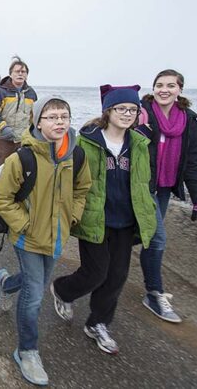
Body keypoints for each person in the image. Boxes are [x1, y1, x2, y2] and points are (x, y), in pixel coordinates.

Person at [0, 96, 92, 386]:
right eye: (51, 116)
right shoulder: (22, 157)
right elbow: (1, 196)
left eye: (64, 116)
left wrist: (72, 216)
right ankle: (26, 351)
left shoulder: (77, 155)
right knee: (35, 294)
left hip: (57, 235)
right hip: (27, 238)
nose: (59, 122)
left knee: (31, 281)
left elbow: (82, 189)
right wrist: (24, 224)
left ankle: (5, 283)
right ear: (37, 121)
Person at [50, 85, 157, 355]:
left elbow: (144, 183)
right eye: (121, 108)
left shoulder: (140, 145)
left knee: (117, 276)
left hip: (125, 223)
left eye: (132, 109)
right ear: (108, 110)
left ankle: (97, 323)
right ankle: (63, 290)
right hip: (95, 219)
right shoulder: (87, 142)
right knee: (95, 273)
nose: (127, 114)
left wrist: (147, 215)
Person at [137, 69, 197, 323]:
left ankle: (151, 291)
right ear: (153, 87)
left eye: (170, 85)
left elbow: (192, 162)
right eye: (159, 85)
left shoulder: (189, 121)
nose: (164, 90)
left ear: (180, 88)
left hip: (165, 188)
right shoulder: (142, 112)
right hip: (142, 187)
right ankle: (154, 293)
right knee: (157, 238)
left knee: (149, 239)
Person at [0, 55, 37, 165]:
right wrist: (3, 127)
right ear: (11, 74)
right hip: (4, 141)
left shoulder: (32, 93)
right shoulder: (2, 91)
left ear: (27, 75)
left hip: (24, 141)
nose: (20, 74)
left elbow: (34, 117)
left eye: (23, 71)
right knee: (2, 171)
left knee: (23, 173)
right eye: (17, 71)